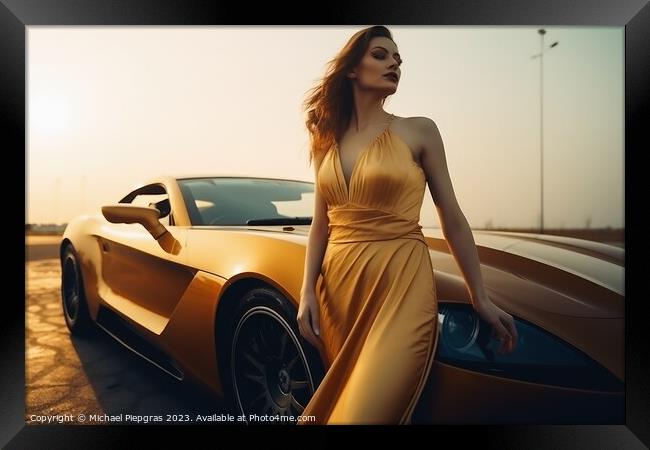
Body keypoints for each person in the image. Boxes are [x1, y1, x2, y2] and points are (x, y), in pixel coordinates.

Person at [296, 25, 518, 425]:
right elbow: (320, 226)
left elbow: (451, 215)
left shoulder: (418, 130)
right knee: (344, 400)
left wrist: (479, 296)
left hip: (401, 281)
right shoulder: (325, 140)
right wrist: (307, 291)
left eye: (398, 59)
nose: (394, 64)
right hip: (340, 290)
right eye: (381, 55)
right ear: (351, 69)